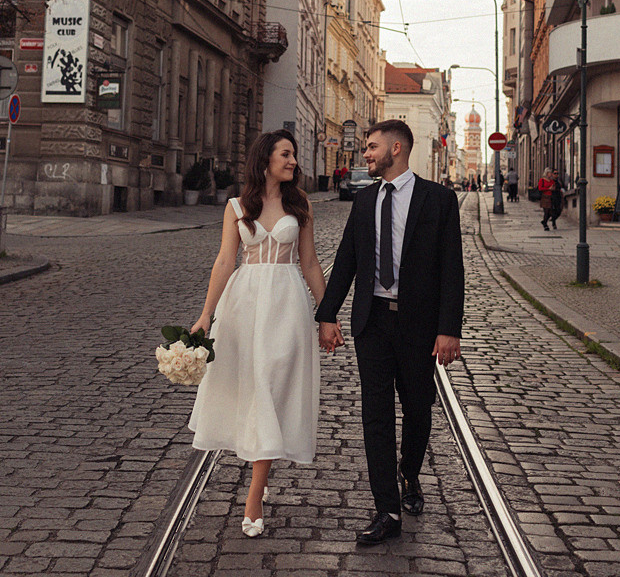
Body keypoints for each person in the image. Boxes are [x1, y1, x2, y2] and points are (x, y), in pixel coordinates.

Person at [315, 120, 464, 546]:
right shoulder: (364, 201)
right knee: (375, 414)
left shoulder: (438, 199)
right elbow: (345, 261)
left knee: (418, 408)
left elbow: (452, 268)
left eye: (371, 147)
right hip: (373, 322)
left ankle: (410, 473)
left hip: (418, 325)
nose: (365, 154)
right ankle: (387, 509)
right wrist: (328, 316)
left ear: (396, 148)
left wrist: (448, 329)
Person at [188, 130, 328, 538]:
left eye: (294, 155)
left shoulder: (300, 204)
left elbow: (311, 263)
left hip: (286, 303)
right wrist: (205, 314)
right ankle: (260, 482)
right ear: (265, 158)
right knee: (253, 388)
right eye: (286, 154)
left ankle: (253, 495)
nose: (293, 161)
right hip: (244, 305)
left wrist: (329, 314)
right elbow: (224, 261)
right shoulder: (236, 206)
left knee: (270, 385)